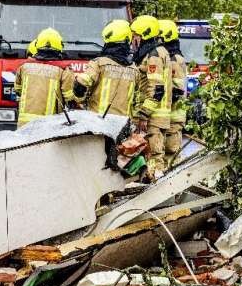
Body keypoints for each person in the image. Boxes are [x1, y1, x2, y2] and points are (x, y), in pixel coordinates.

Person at [130, 15, 172, 177]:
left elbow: (156, 89)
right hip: (157, 115)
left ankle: (156, 187)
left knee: (154, 157)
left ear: (145, 35)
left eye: (136, 36)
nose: (134, 40)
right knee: (152, 156)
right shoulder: (159, 51)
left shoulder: (153, 55)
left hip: (153, 116)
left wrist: (143, 114)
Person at [72, 19, 142, 119]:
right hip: (123, 125)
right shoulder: (134, 69)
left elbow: (80, 85)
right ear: (127, 39)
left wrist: (81, 101)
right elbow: (138, 100)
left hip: (99, 123)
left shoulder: (99, 63)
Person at [14, 28, 69, 127]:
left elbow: (18, 90)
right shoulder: (63, 70)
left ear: (37, 45)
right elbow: (70, 97)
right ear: (60, 47)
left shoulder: (24, 67)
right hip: (49, 127)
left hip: (24, 125)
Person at [159, 19, 189, 165]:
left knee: (171, 154)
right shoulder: (174, 56)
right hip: (170, 115)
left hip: (173, 115)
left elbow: (177, 90)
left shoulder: (174, 59)